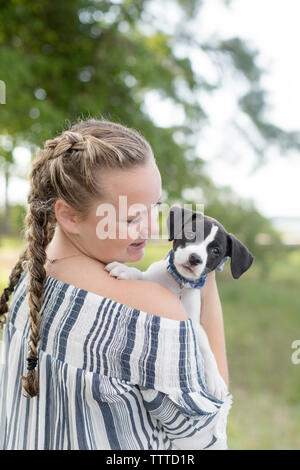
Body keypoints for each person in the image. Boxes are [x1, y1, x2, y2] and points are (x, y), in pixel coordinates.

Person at [0, 118, 231, 450]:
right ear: (69, 216)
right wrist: (203, 276)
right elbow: (208, 435)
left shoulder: (30, 274)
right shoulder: (152, 311)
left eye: (154, 209)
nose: (151, 228)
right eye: (131, 217)